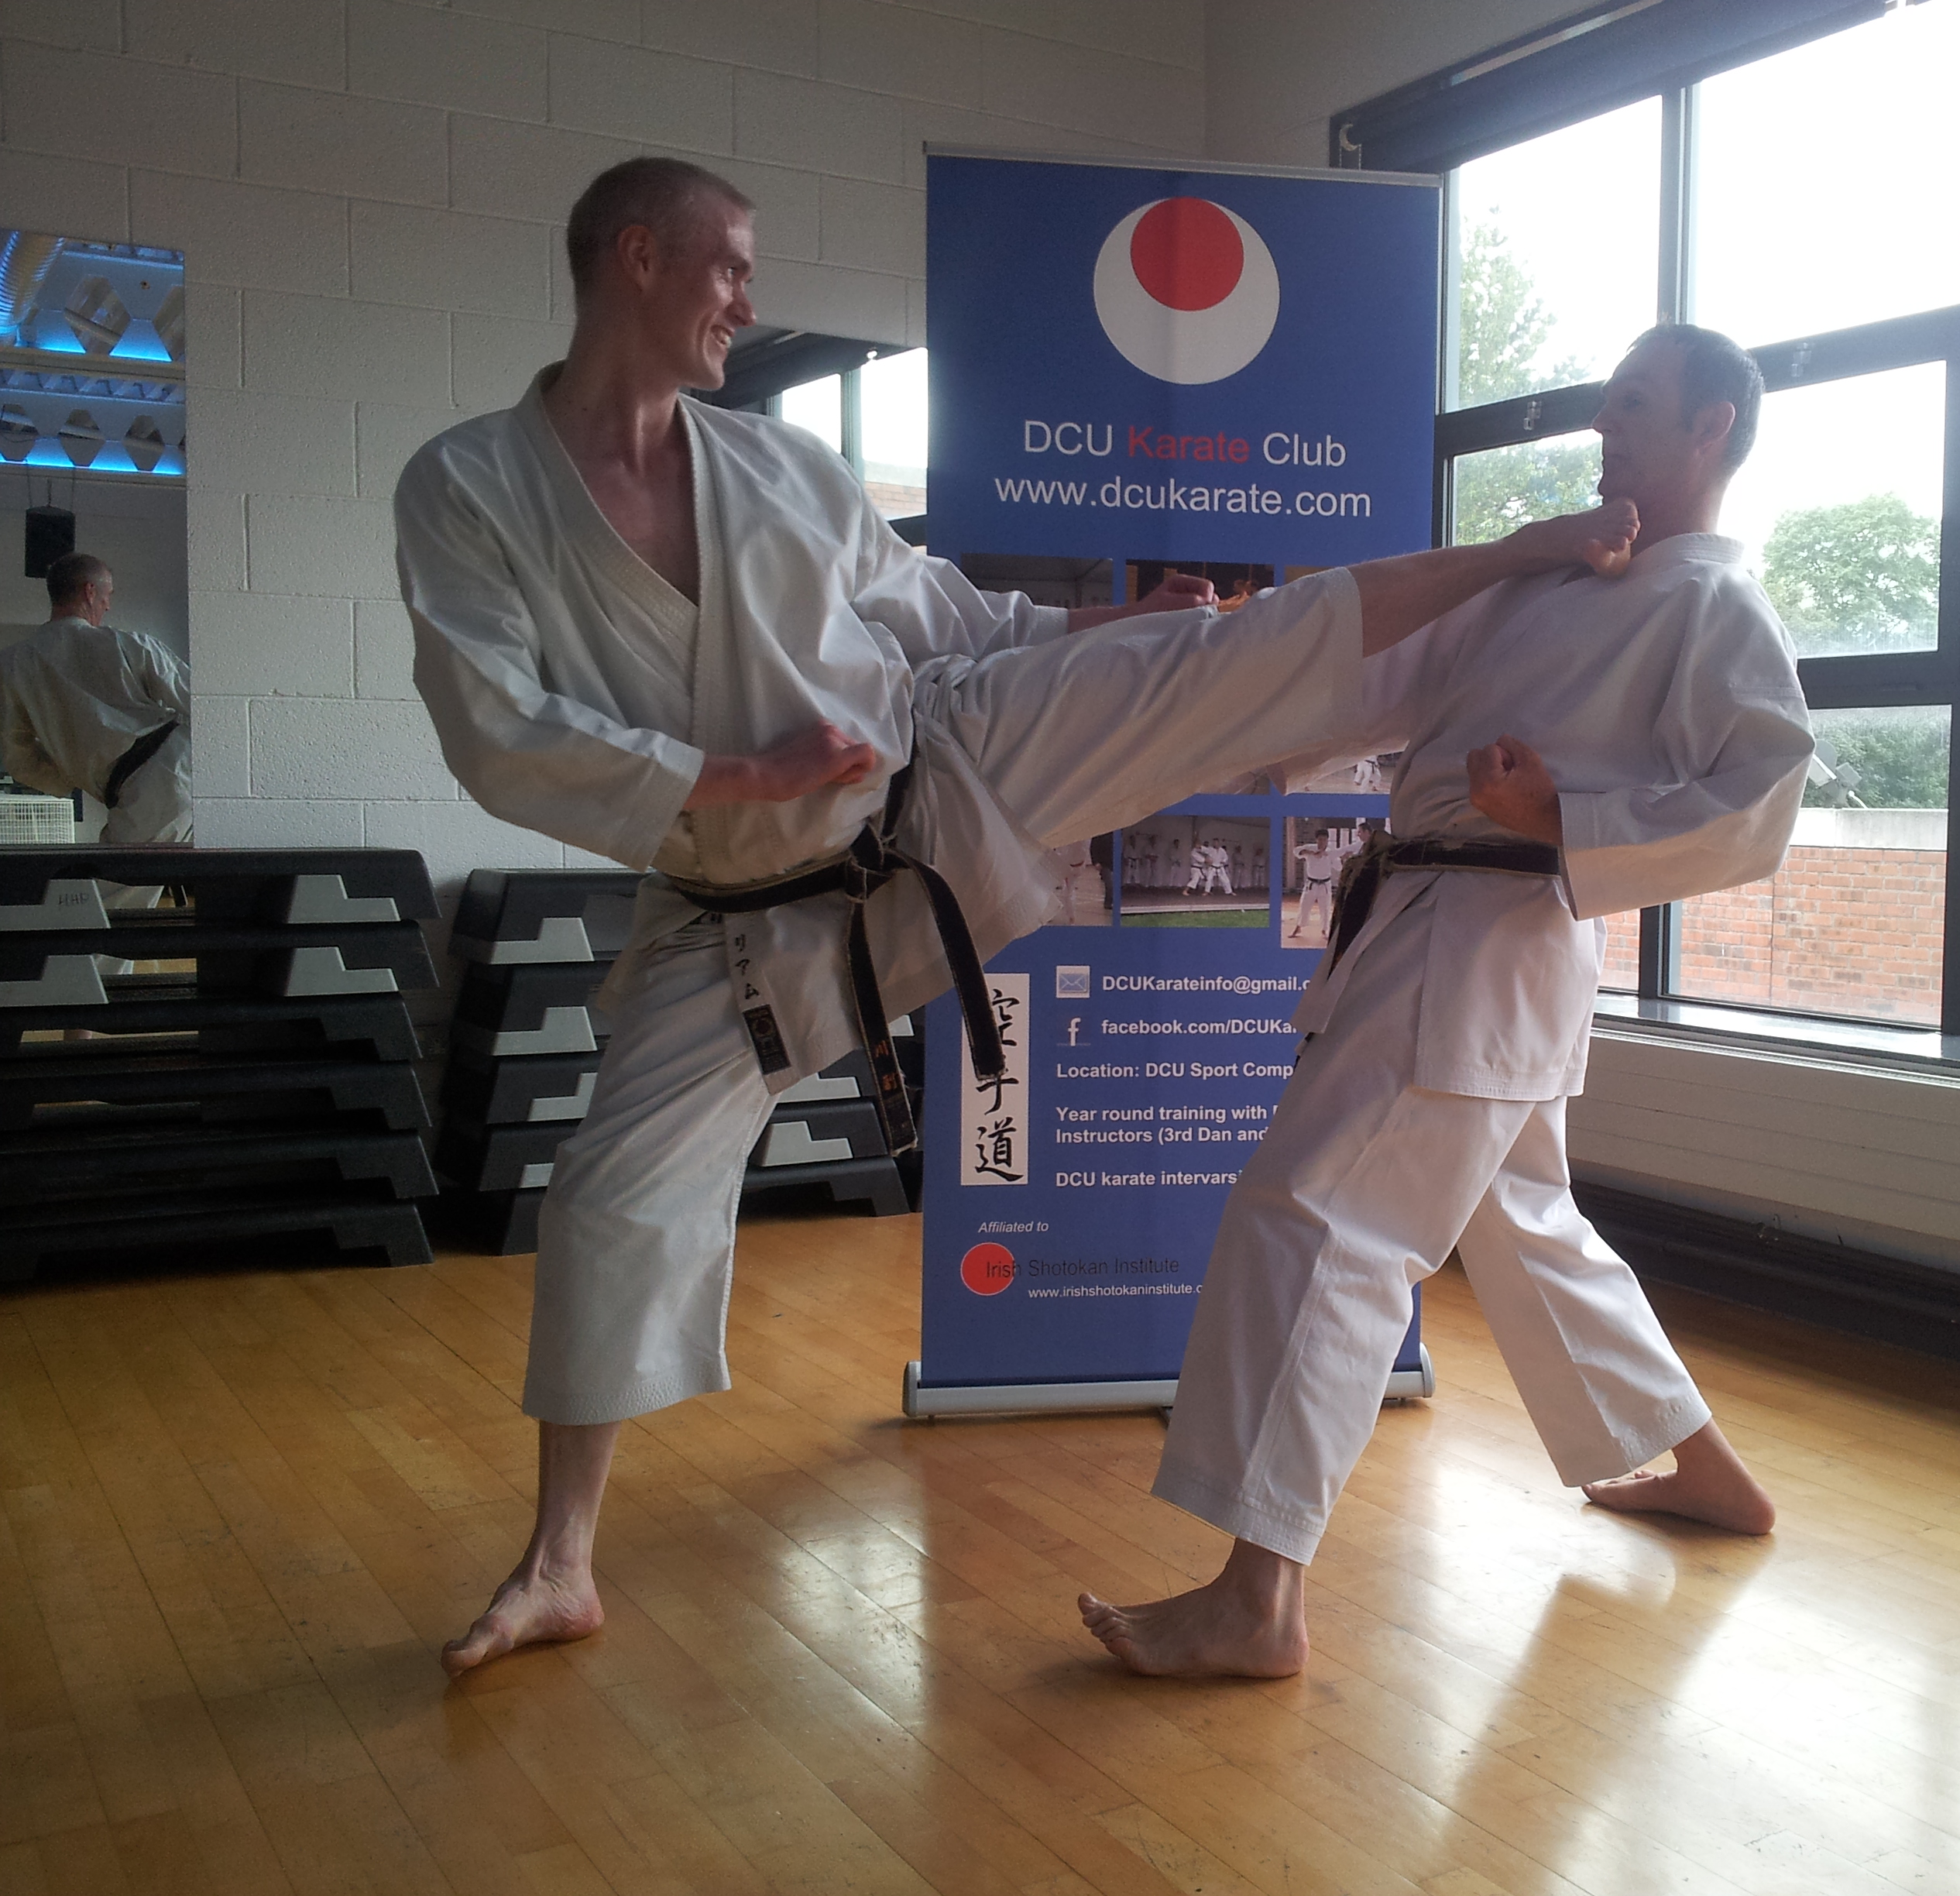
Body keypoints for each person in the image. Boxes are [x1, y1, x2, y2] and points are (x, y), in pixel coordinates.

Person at [396, 156, 1639, 1678]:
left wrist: (1119, 625)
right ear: (636, 256)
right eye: (729, 266)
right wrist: (739, 774)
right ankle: (560, 1563)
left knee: (1228, 654)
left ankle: (1508, 563)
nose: (748, 299)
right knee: (606, 1197)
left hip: (938, 774)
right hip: (734, 914)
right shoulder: (469, 487)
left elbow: (952, 618)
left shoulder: (774, 468)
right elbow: (496, 723)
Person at [1080, 324, 1814, 1679]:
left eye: (1634, 404)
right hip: (1435, 932)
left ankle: (1258, 1597)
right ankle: (1707, 1470)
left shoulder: (1714, 604)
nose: (1605, 427)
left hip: (1482, 941)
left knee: (1316, 1219)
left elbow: (1759, 804)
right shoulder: (1548, 583)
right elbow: (1368, 693)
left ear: (1711, 427)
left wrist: (1559, 815)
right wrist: (1210, 672)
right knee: (1524, 1223)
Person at [0, 552, 191, 857]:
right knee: (121, 875)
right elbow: (201, 702)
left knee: (119, 879)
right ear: (90, 591)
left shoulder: (12, 666)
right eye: (107, 595)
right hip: (174, 769)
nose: (108, 605)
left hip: (158, 780)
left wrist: (71, 776)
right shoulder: (131, 645)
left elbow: (19, 759)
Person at [1291, 827, 1340, 943]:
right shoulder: (1310, 848)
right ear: (1316, 840)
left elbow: (1339, 867)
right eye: (1320, 839)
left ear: (1327, 840)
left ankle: (1324, 930)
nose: (1322, 842)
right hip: (1311, 884)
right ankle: (1299, 927)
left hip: (1325, 885)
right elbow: (1296, 851)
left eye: (1324, 839)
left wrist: (1334, 857)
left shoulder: (1331, 852)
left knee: (1325, 909)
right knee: (1304, 906)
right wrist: (1310, 853)